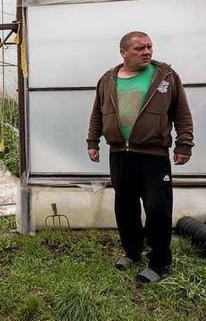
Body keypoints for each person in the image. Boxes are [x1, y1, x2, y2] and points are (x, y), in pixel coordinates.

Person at [87, 31, 194, 284]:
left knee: (157, 208)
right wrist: (93, 141)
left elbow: (182, 113)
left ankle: (159, 262)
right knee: (125, 208)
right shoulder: (107, 80)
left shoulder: (165, 77)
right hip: (120, 155)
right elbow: (97, 114)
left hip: (153, 156)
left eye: (149, 47)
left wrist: (184, 144)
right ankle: (133, 252)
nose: (147, 52)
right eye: (140, 48)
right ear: (124, 52)